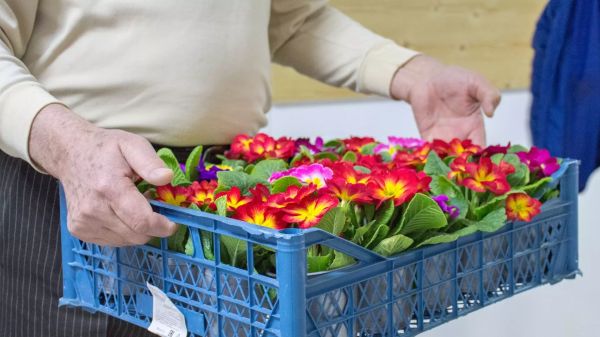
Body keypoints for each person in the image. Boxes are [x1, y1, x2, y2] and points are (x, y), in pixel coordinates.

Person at [0, 1, 501, 336]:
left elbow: (292, 17)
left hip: (229, 191)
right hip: (72, 181)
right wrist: (64, 146)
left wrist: (412, 74)